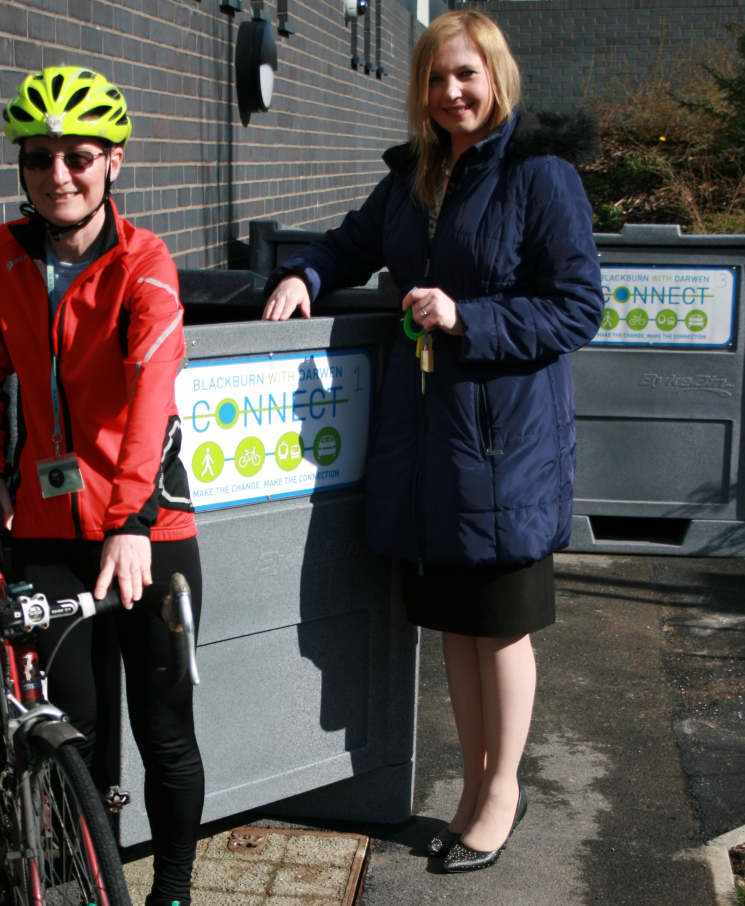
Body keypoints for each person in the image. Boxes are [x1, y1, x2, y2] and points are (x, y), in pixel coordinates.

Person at [262, 12, 603, 873]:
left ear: (496, 75)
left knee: (502, 624)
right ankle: (476, 782)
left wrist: (468, 317)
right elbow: (350, 243)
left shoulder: (540, 174)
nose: (451, 92)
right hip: (431, 445)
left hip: (505, 443)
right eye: (436, 78)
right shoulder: (416, 178)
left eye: (466, 75)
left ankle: (501, 790)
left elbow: (578, 308)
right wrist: (304, 276)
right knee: (455, 624)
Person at [0, 66, 203, 906]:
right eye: (38, 158)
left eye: (79, 156)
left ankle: (170, 890)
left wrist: (132, 515)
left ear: (114, 162)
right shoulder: (5, 252)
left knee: (164, 733)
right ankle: (89, 884)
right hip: (48, 527)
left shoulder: (146, 262)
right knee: (77, 729)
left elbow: (151, 390)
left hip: (148, 529)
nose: (58, 175)